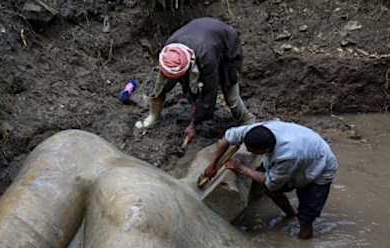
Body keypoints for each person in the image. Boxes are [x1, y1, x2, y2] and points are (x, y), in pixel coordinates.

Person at [204, 120, 338, 239]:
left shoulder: (287, 155)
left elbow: (271, 182)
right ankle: (290, 215)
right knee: (268, 189)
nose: (250, 152)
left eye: (253, 151)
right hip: (304, 149)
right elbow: (226, 138)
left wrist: (241, 168)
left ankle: (304, 237)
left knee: (306, 217)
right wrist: (213, 164)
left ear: (267, 149)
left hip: (319, 167)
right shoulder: (257, 130)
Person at [135, 17, 255, 143]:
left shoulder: (206, 58)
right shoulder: (170, 49)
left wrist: (194, 123)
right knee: (163, 85)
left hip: (225, 45)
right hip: (200, 36)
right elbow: (164, 81)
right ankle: (153, 115)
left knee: (229, 87)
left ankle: (246, 119)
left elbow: (210, 92)